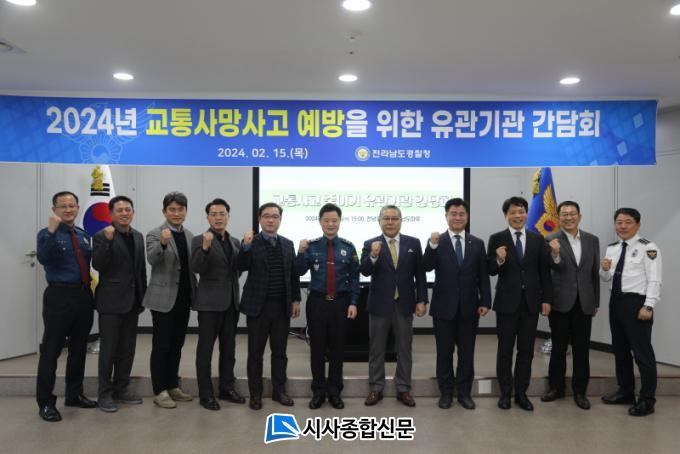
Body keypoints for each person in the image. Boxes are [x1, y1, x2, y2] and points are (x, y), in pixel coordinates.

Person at [423, 198, 491, 410]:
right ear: (446, 216)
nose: (457, 217)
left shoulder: (477, 243)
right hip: (443, 308)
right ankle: (446, 393)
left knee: (466, 354)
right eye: (453, 214)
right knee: (444, 353)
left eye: (461, 214)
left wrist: (485, 301)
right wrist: (432, 246)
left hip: (470, 308)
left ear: (467, 217)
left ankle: (464, 393)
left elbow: (483, 276)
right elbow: (426, 266)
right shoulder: (437, 241)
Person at [36, 191, 97, 422]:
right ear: (55, 210)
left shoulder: (83, 235)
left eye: (72, 205)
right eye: (63, 206)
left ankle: (74, 394)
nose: (68, 209)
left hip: (83, 296)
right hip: (59, 296)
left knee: (79, 349)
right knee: (51, 351)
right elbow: (44, 258)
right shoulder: (46, 233)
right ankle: (45, 403)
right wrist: (52, 232)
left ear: (78, 208)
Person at [487, 196, 552, 411]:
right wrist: (499, 259)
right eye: (513, 212)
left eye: (521, 211)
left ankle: (522, 393)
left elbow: (544, 272)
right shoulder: (497, 238)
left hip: (531, 303)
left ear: (526, 214)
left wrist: (546, 299)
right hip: (506, 303)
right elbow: (490, 269)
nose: (517, 215)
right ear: (506, 215)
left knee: (526, 351)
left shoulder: (537, 239)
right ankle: (505, 393)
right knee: (505, 350)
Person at [360, 205, 427, 408]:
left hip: (404, 304)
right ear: (379, 221)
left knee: (405, 348)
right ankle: (376, 388)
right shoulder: (370, 243)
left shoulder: (413, 243)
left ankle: (403, 388)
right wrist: (373, 255)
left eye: (394, 218)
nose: (390, 222)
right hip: (379, 305)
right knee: (377, 349)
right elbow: (364, 270)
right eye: (386, 218)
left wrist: (421, 300)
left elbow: (420, 275)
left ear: (400, 221)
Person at [296, 203, 359, 410]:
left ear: (339, 222)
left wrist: (353, 302)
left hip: (340, 303)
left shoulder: (349, 247)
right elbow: (298, 271)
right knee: (317, 349)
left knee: (337, 350)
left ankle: (334, 392)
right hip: (317, 303)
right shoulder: (311, 246)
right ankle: (318, 392)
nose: (331, 224)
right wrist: (300, 252)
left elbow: (355, 278)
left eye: (334, 220)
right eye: (326, 220)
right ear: (320, 222)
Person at [238, 202, 301, 410]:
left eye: (275, 216)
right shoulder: (250, 242)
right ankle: (255, 394)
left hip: (281, 307)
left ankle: (279, 391)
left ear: (280, 220)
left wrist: (295, 300)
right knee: (255, 353)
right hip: (258, 307)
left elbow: (293, 275)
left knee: (280, 352)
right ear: (259, 219)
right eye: (266, 216)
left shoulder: (287, 244)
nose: (271, 220)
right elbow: (240, 266)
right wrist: (245, 247)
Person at [600, 208, 662, 417]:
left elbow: (655, 279)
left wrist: (649, 306)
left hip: (637, 304)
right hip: (616, 302)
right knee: (620, 350)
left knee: (642, 353)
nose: (623, 226)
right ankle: (625, 392)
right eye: (619, 222)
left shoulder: (648, 248)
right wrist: (604, 268)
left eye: (628, 222)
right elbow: (606, 278)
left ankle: (647, 400)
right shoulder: (612, 248)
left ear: (637, 225)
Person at [541, 201, 600, 410]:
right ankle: (555, 388)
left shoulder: (592, 240)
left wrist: (595, 301)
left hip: (584, 303)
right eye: (564, 214)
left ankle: (580, 392)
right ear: (558, 218)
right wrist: (555, 253)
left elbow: (594, 273)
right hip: (560, 303)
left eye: (572, 213)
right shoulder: (550, 239)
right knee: (558, 348)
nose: (568, 217)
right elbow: (551, 269)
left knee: (582, 350)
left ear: (579, 216)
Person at [92, 195, 147, 412]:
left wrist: (142, 297)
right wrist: (107, 241)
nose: (124, 213)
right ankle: (104, 394)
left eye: (128, 209)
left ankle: (121, 389)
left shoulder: (138, 236)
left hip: (133, 302)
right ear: (111, 214)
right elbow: (98, 265)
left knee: (127, 349)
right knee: (109, 350)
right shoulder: (102, 235)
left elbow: (140, 270)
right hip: (111, 302)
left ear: (133, 212)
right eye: (119, 210)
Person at [142, 191, 197, 409]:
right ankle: (160, 390)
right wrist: (163, 244)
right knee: (162, 345)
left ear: (186, 211)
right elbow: (152, 259)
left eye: (180, 209)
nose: (176, 213)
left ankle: (173, 385)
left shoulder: (190, 235)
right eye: (172, 209)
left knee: (177, 345)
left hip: (184, 297)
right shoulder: (155, 233)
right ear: (164, 212)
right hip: (162, 299)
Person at [190, 198, 244, 411]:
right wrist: (205, 248)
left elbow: (237, 270)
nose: (218, 218)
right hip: (209, 305)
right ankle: (205, 394)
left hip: (231, 303)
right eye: (214, 214)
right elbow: (196, 267)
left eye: (222, 214)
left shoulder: (235, 242)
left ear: (228, 217)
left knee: (229, 349)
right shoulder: (199, 239)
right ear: (208, 218)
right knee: (205, 351)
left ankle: (226, 388)